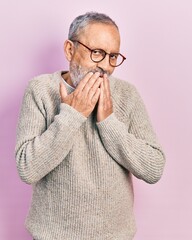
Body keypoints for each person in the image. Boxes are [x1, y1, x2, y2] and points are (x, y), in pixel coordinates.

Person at [15, 11, 166, 240]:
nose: (105, 66)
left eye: (113, 56)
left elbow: (154, 168)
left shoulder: (127, 95)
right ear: (69, 50)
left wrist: (108, 123)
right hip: (52, 235)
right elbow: (27, 168)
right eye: (97, 53)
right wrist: (72, 115)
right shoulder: (40, 90)